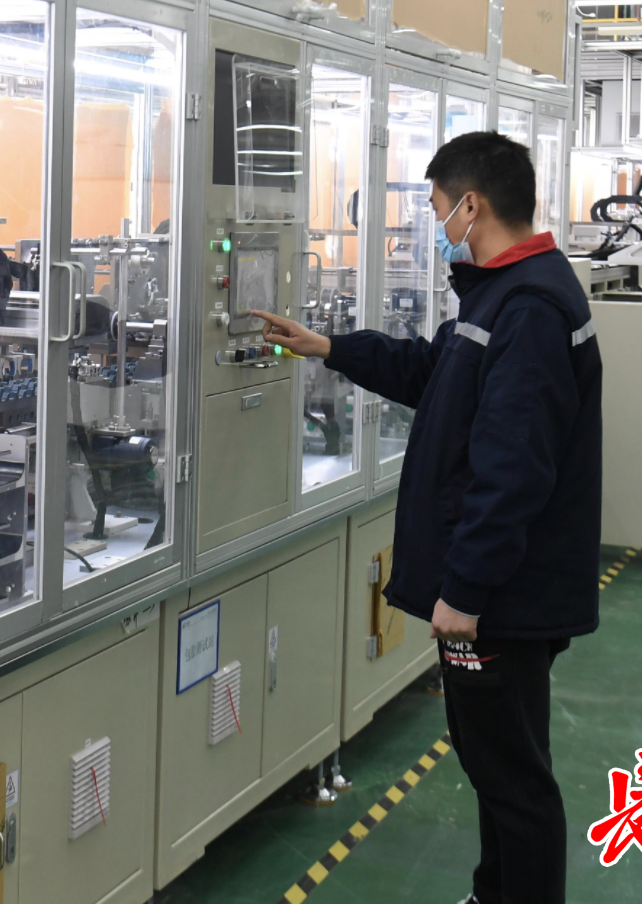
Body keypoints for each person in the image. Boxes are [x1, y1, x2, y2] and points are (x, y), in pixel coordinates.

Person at [253, 131, 602, 904]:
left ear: (471, 206)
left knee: (513, 779)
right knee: (496, 765)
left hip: (506, 598)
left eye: (439, 206)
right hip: (510, 590)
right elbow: (432, 370)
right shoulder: (507, 292)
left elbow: (514, 471)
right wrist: (329, 347)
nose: (437, 222)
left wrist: (465, 591)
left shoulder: (529, 308)